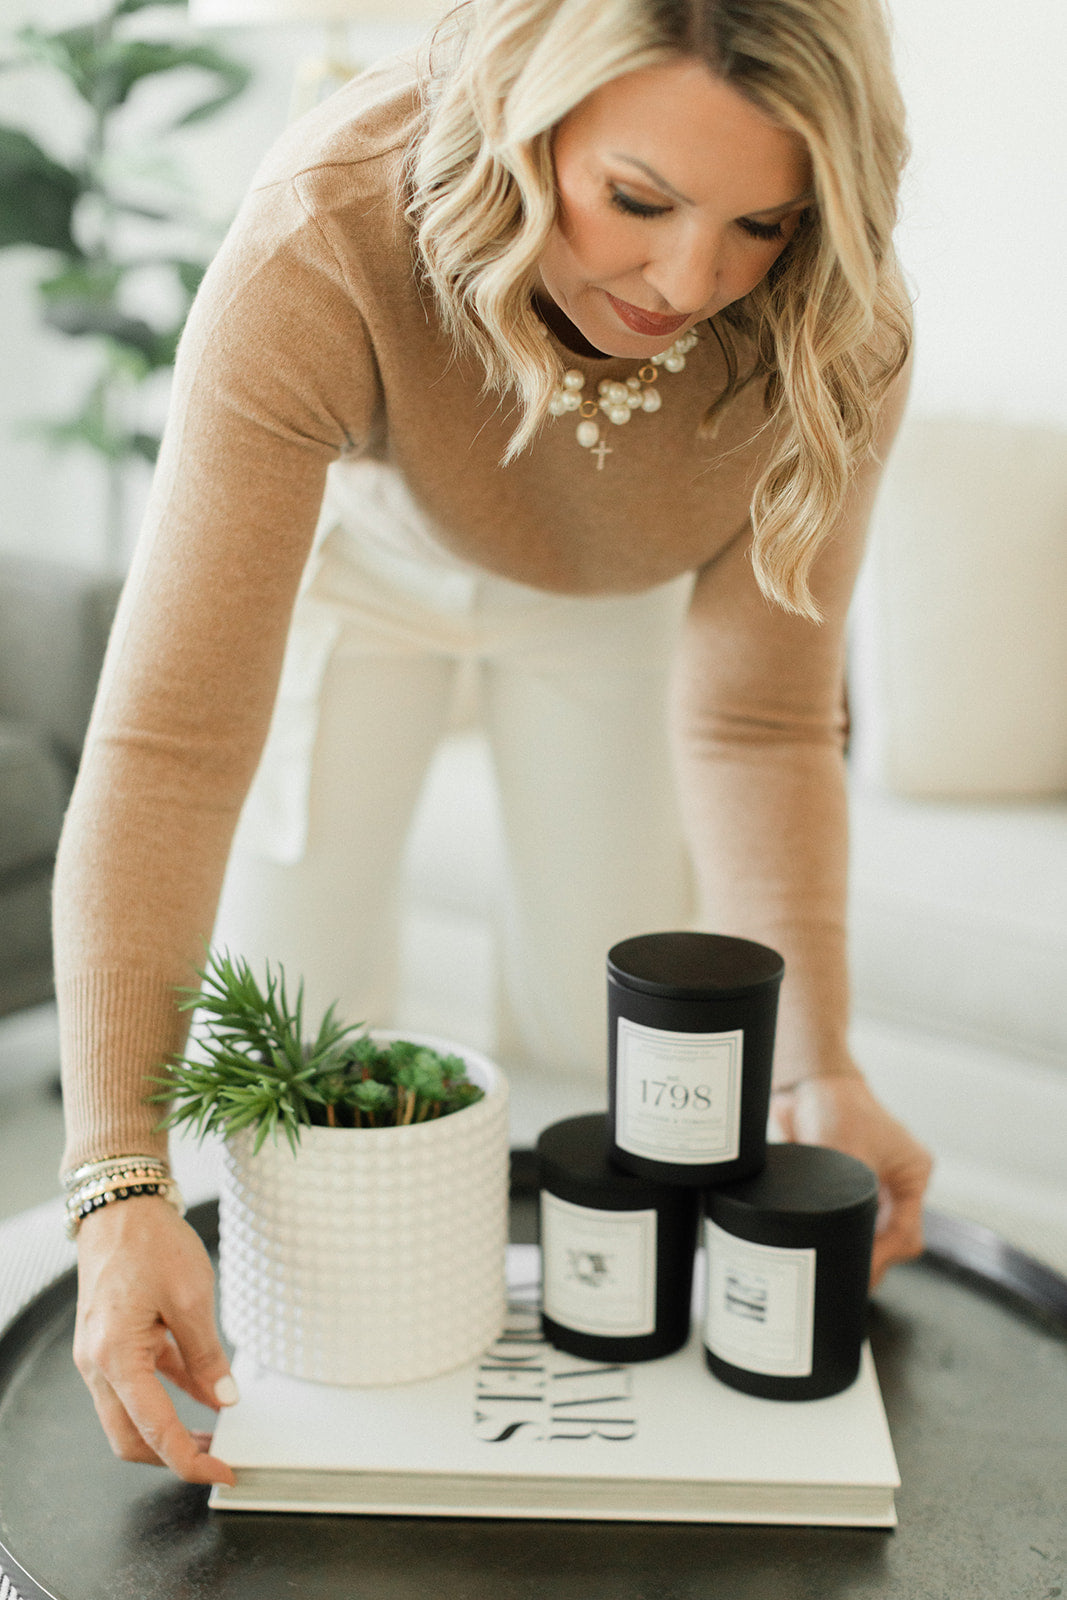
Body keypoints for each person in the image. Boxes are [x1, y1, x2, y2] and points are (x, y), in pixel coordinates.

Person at [54, 0, 933, 1487]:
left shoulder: (837, 319)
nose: (691, 281)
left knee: (612, 1045)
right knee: (290, 1041)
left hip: (609, 600)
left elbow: (765, 715)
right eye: (639, 201)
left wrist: (819, 1066)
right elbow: (168, 744)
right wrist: (115, 1185)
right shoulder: (322, 236)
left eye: (761, 226)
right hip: (359, 561)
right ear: (531, 120)